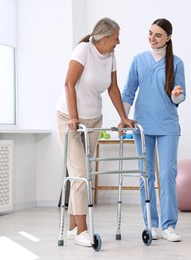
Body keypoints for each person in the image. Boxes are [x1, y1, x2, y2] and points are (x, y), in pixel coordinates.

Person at [57, 17, 133, 247]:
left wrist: (123, 118)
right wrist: (73, 117)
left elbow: (113, 88)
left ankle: (72, 227)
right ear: (103, 38)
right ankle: (82, 230)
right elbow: (69, 84)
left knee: (83, 173)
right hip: (69, 119)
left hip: (94, 120)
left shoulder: (110, 56)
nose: (118, 42)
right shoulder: (83, 50)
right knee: (79, 171)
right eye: (115, 38)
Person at [122, 18, 186, 242]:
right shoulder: (138, 60)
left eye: (158, 35)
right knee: (145, 175)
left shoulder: (176, 63)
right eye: (150, 33)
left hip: (167, 124)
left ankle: (169, 226)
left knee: (168, 174)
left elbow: (180, 95)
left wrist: (177, 94)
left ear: (168, 37)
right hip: (142, 126)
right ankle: (152, 223)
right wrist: (123, 118)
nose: (152, 38)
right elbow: (128, 91)